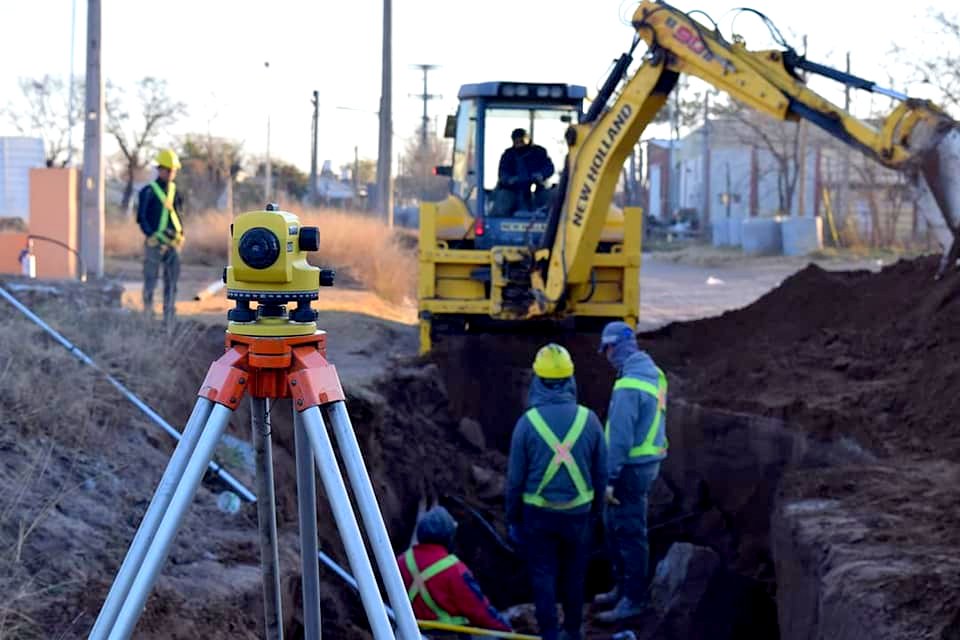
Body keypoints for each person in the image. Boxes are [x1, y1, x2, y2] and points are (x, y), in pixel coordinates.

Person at [506, 343, 607, 640]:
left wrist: (512, 519)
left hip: (538, 516)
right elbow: (601, 473)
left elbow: (514, 480)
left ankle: (549, 634)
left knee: (543, 575)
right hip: (579, 514)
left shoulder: (527, 423)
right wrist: (596, 514)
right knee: (575, 575)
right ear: (570, 379)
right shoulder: (589, 420)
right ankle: (573, 631)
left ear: (537, 380)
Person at [593, 321, 668, 624]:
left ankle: (633, 598)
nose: (607, 355)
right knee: (616, 526)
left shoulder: (628, 386)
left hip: (630, 470)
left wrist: (609, 478)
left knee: (629, 532)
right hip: (647, 462)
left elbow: (620, 438)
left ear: (616, 347)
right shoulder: (653, 373)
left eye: (608, 349)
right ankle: (622, 587)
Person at [398, 506, 512, 634]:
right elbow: (479, 610)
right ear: (448, 535)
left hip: (408, 633)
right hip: (447, 635)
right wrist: (506, 630)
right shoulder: (455, 569)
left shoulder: (401, 562)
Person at [137, 148, 185, 324]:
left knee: (172, 282)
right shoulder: (148, 192)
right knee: (150, 279)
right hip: (154, 243)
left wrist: (182, 234)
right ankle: (147, 317)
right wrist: (150, 234)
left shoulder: (176, 192)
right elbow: (141, 217)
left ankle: (169, 319)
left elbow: (180, 214)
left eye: (174, 170)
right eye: (168, 169)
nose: (171, 173)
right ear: (160, 169)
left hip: (174, 243)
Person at [496, 128, 555, 213]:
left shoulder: (539, 152)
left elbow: (549, 168)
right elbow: (502, 172)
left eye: (522, 141)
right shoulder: (508, 155)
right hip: (514, 190)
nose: (519, 144)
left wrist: (541, 175)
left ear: (528, 139)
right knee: (503, 200)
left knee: (550, 199)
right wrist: (509, 179)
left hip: (538, 188)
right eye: (516, 141)